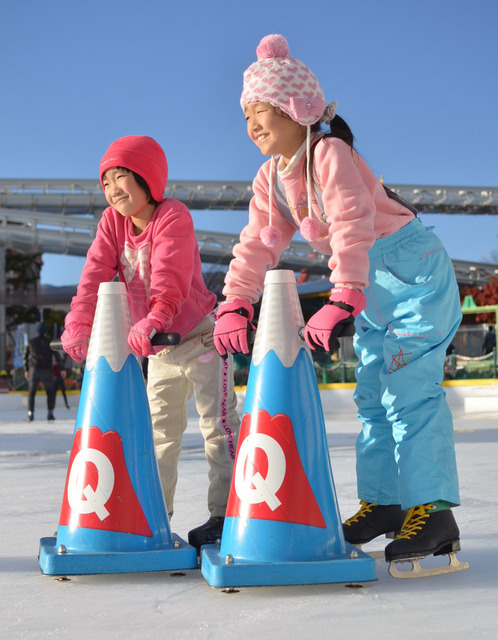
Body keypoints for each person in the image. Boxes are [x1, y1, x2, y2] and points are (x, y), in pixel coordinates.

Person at [213, 34, 464, 568]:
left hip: (410, 272)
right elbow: (258, 242)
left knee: (410, 392)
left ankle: (436, 511)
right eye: (247, 117)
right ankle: (386, 504)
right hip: (370, 285)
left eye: (263, 112)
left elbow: (353, 225)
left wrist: (344, 293)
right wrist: (235, 301)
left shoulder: (330, 153)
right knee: (372, 395)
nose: (253, 125)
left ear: (298, 110)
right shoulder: (271, 179)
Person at [60, 135, 240, 549]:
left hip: (198, 336)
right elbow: (94, 275)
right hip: (157, 345)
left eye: (122, 178)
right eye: (106, 183)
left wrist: (156, 317)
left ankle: (225, 514)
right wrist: (78, 322)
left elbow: (170, 275)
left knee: (219, 426)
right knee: (158, 432)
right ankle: (156, 514)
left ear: (149, 180)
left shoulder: (173, 216)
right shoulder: (111, 222)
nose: (113, 190)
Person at [24, 321, 56, 421]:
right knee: (50, 391)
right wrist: (62, 368)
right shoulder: (49, 342)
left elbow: (25, 356)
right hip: (46, 369)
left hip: (34, 369)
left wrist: (26, 369)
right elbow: (57, 356)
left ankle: (30, 414)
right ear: (45, 331)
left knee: (32, 392)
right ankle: (50, 413)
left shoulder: (31, 342)